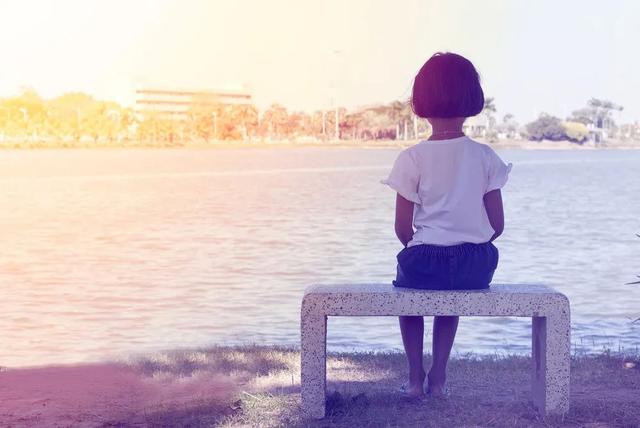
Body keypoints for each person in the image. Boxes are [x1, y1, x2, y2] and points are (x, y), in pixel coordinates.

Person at [382, 52, 512, 399]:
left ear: (421, 102)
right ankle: (438, 376)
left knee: (409, 294)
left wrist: (428, 244)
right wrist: (466, 237)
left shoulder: (411, 157)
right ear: (472, 99)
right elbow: (497, 225)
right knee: (450, 293)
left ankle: (415, 378)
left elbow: (402, 229)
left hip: (425, 260)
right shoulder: (485, 156)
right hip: (475, 264)